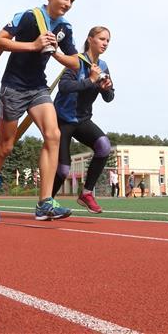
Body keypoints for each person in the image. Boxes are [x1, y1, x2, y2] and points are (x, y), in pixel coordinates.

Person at [0, 0, 80, 224]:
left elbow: (76, 62)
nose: (67, 4)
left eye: (72, 1)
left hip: (38, 87)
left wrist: (55, 52)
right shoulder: (28, 16)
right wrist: (34, 45)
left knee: (53, 135)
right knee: (6, 147)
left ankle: (44, 202)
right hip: (13, 87)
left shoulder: (65, 27)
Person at [51, 26, 114, 214]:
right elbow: (64, 87)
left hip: (82, 120)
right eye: (102, 39)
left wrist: (105, 88)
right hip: (62, 119)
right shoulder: (76, 61)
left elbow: (110, 97)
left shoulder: (103, 66)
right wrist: (90, 81)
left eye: (108, 41)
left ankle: (86, 193)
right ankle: (47, 201)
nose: (105, 43)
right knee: (63, 169)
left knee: (104, 146)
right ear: (90, 39)